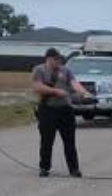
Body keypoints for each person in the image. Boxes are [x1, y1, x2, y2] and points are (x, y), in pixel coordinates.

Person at [31, 48, 92, 177]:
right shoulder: (39, 70)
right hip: (47, 109)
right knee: (47, 140)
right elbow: (37, 87)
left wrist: (84, 92)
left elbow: (74, 83)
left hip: (65, 109)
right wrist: (55, 92)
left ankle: (74, 169)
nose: (59, 61)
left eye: (59, 59)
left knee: (70, 141)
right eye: (56, 59)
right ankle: (44, 167)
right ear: (49, 59)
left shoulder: (66, 71)